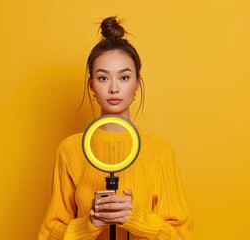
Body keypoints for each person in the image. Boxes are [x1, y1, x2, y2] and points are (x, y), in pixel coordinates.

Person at [38, 16, 193, 239]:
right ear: (91, 84)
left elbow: (181, 235)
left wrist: (137, 218)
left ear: (137, 83)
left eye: (124, 77)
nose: (113, 88)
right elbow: (48, 234)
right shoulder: (70, 150)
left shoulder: (159, 151)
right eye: (103, 78)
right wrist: (89, 223)